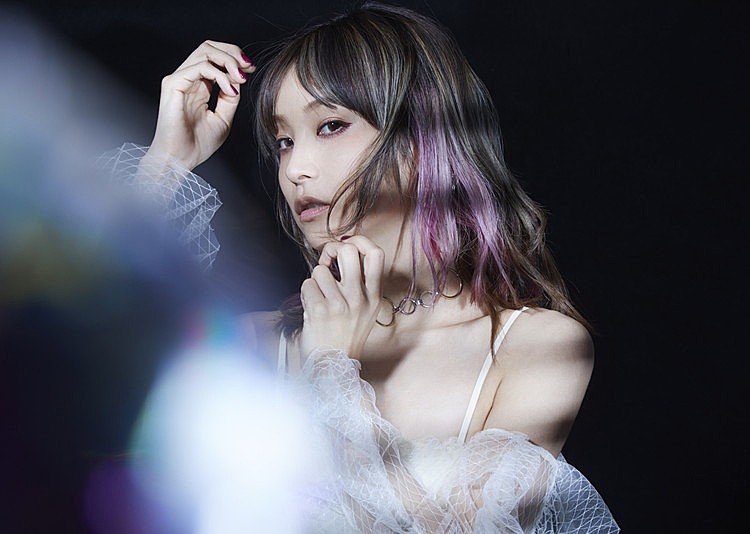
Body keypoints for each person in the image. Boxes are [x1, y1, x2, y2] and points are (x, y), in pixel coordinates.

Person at [133, 2, 619, 531]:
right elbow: (90, 370)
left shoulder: (533, 347)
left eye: (331, 126)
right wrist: (168, 162)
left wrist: (331, 370)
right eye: (284, 142)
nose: (295, 170)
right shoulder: (257, 343)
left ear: (423, 136)